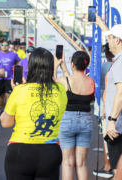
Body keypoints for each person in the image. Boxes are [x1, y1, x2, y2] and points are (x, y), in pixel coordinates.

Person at [0, 47, 68, 179]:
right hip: (50, 152)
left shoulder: (20, 90)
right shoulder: (61, 89)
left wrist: (16, 91)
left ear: (30, 66)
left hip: (21, 150)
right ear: (51, 66)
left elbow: (6, 123)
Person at [54, 51, 94, 180]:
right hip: (86, 120)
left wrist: (56, 66)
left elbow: (53, 84)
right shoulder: (91, 81)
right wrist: (66, 69)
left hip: (67, 120)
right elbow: (76, 79)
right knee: (81, 164)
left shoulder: (64, 80)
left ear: (72, 64)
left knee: (67, 162)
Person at [95, 14, 122, 179]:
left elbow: (121, 92)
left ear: (118, 40)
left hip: (117, 127)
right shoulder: (118, 59)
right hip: (117, 124)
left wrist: (111, 121)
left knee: (117, 171)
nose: (108, 41)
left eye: (110, 38)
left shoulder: (120, 62)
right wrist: (100, 23)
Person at [93, 43, 114, 178]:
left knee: (106, 137)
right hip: (113, 106)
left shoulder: (105, 66)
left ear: (106, 52)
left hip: (105, 106)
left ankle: (108, 167)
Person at [0, 40, 21, 113]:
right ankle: (3, 108)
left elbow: (19, 61)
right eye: (3, 45)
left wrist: (16, 66)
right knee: (1, 95)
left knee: (8, 94)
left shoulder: (13, 54)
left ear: (8, 46)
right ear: (1, 46)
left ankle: (8, 109)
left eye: (6, 45)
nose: (4, 46)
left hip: (9, 77)